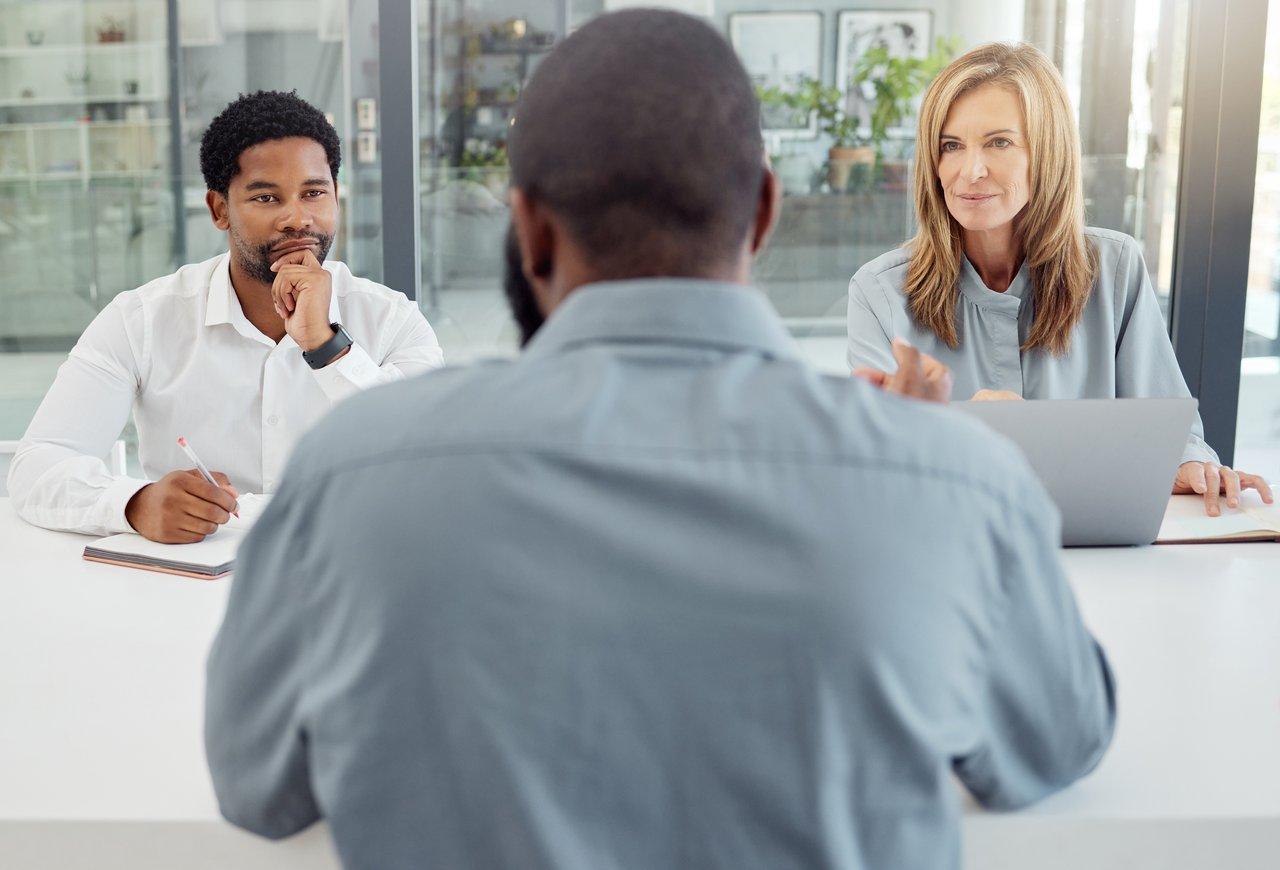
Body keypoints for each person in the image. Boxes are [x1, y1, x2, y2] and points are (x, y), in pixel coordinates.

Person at [206, 12, 1114, 869]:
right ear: (762, 211)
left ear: (527, 229)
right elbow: (1054, 741)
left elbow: (258, 785)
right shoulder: (959, 481)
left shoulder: (352, 470)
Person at [846, 42, 1272, 517]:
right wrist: (965, 431)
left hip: (1102, 556)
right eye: (951, 146)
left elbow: (1172, 433)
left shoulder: (1114, 268)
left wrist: (1195, 466)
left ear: (1047, 153)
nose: (971, 171)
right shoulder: (879, 292)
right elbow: (872, 473)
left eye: (999, 142)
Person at [7, 90, 443, 541]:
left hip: (353, 575)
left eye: (314, 193)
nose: (297, 218)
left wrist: (326, 346)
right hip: (191, 589)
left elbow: (439, 462)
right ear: (219, 209)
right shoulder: (141, 321)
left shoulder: (392, 321)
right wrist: (133, 504)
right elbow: (39, 466)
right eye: (267, 198)